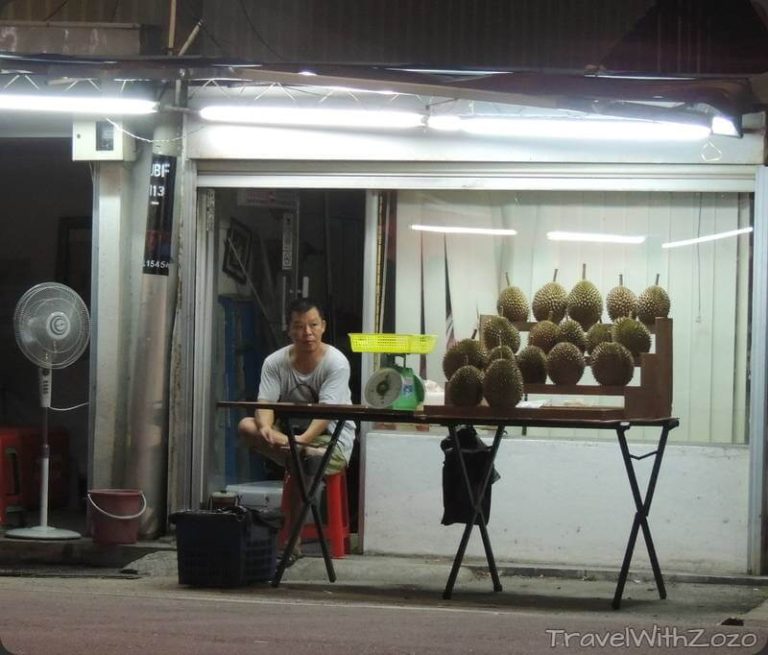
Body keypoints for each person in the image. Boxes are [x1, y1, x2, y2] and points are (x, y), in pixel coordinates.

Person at [238, 297, 355, 560]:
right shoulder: (275, 362)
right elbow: (265, 403)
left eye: (313, 325)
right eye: (300, 326)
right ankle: (299, 454)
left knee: (302, 464)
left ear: (323, 326)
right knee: (247, 426)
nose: (307, 333)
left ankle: (291, 543)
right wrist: (266, 427)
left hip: (331, 439)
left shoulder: (336, 362)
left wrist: (303, 440)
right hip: (292, 437)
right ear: (289, 330)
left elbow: (326, 413)